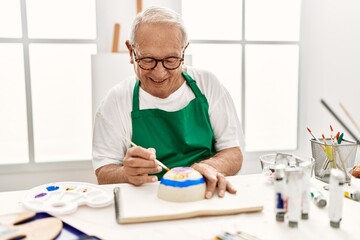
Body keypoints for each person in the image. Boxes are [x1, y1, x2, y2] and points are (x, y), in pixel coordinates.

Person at [92, 6, 245, 199]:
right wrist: (126, 173)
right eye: (147, 60)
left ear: (184, 50)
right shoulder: (115, 101)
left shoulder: (208, 84)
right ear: (131, 52)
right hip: (148, 202)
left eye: (171, 59)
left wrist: (207, 167)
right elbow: (103, 172)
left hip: (203, 195)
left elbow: (233, 153)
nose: (159, 73)